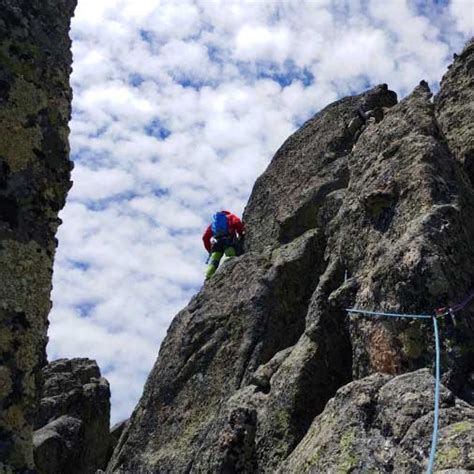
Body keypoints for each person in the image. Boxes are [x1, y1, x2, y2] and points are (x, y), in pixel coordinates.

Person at [202, 210, 245, 279]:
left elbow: (205, 237)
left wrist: (209, 250)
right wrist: (240, 233)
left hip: (216, 244)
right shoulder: (230, 216)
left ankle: (208, 276)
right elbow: (237, 222)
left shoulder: (213, 224)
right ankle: (231, 271)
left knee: (214, 261)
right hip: (228, 240)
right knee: (230, 256)